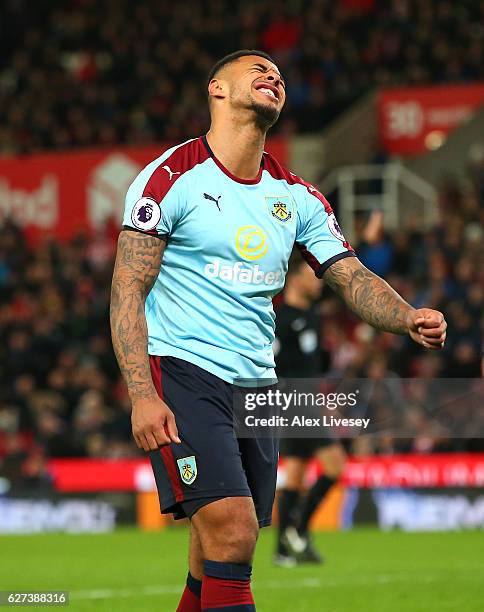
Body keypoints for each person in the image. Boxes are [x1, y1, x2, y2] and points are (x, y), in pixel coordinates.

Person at [110, 49, 447, 612]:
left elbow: (350, 275)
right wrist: (142, 394)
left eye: (280, 75)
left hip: (258, 387)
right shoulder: (170, 178)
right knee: (234, 533)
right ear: (216, 89)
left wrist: (406, 315)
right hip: (183, 373)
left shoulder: (298, 196)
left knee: (212, 555)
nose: (274, 77)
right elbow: (127, 288)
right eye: (257, 69)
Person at [273, 253, 346, 567]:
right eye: (310, 275)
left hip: (306, 400)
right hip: (293, 404)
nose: (317, 282)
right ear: (294, 278)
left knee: (296, 475)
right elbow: (274, 368)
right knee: (335, 466)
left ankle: (283, 548)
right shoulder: (279, 319)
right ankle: (297, 531)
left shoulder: (313, 316)